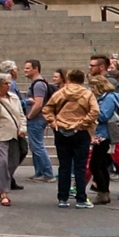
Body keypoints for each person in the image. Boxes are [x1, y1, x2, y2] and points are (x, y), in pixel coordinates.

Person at [45, 68, 99, 208]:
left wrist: (53, 122)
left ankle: (63, 198)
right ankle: (81, 198)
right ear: (82, 80)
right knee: (80, 166)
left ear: (68, 79)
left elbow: (47, 108)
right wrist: (83, 123)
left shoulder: (60, 93)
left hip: (61, 129)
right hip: (81, 131)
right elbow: (95, 111)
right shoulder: (87, 94)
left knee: (64, 166)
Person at [0, 74, 27, 206]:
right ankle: (4, 192)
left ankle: (2, 185)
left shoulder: (14, 97)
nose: (9, 85)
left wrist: (23, 128)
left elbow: (21, 115)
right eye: (6, 83)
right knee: (2, 161)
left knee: (13, 162)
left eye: (9, 83)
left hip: (15, 133)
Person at [21, 60, 55, 182]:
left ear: (36, 69)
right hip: (37, 118)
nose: (25, 70)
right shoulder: (37, 83)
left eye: (28, 68)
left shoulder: (38, 84)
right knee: (35, 146)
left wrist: (29, 116)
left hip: (37, 119)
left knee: (38, 146)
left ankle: (47, 173)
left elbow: (38, 103)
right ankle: (40, 172)